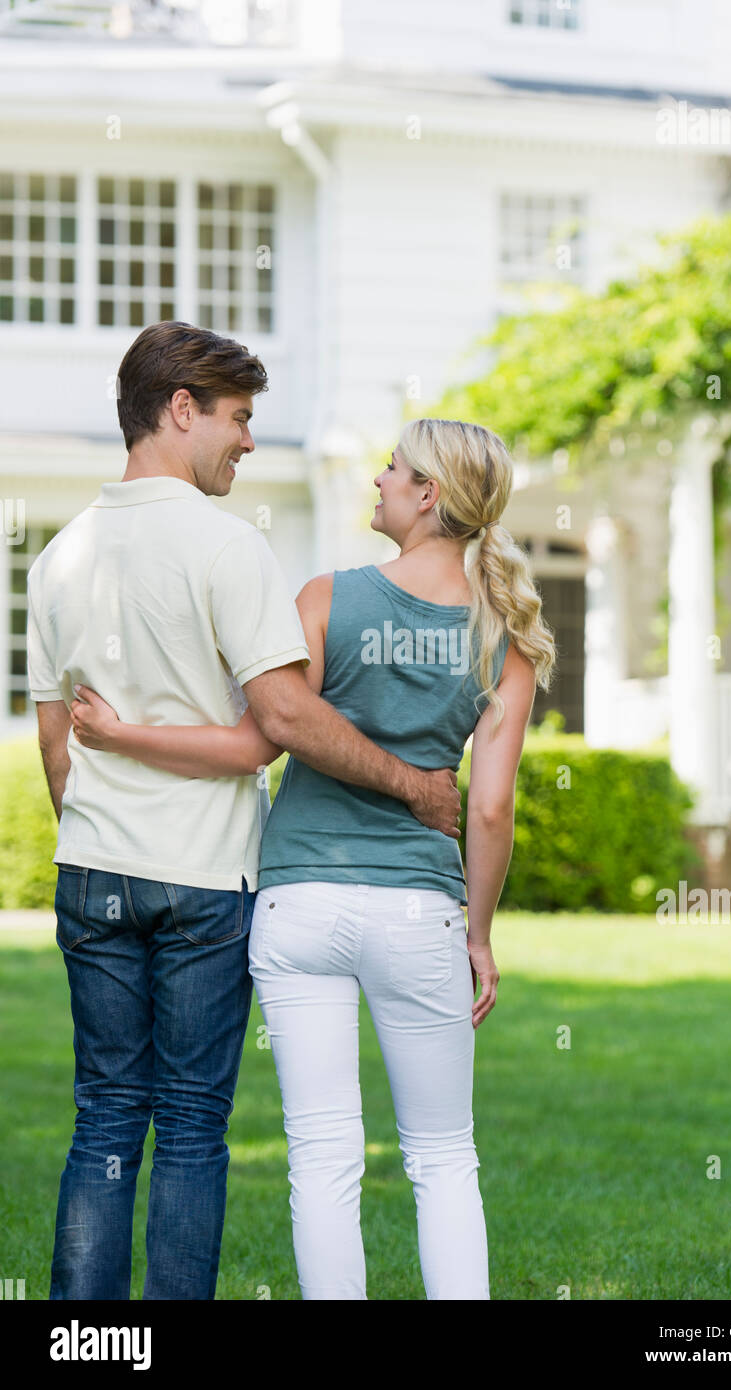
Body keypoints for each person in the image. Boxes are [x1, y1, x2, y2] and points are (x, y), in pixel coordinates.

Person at [70, 416, 556, 1300]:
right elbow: (487, 806)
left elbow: (258, 741)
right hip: (420, 912)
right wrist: (478, 934)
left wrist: (118, 733)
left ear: (428, 495)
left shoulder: (327, 597)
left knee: (322, 1156)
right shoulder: (503, 637)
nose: (378, 477)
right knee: (444, 1156)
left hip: (300, 903)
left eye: (394, 468)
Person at [26, 322, 461, 1302]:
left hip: (93, 869)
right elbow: (281, 718)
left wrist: (96, 830)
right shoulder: (229, 548)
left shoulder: (59, 558)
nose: (250, 441)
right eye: (238, 417)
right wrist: (414, 784)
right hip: (204, 881)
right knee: (186, 1124)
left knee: (103, 1119)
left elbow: (59, 745)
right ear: (181, 410)